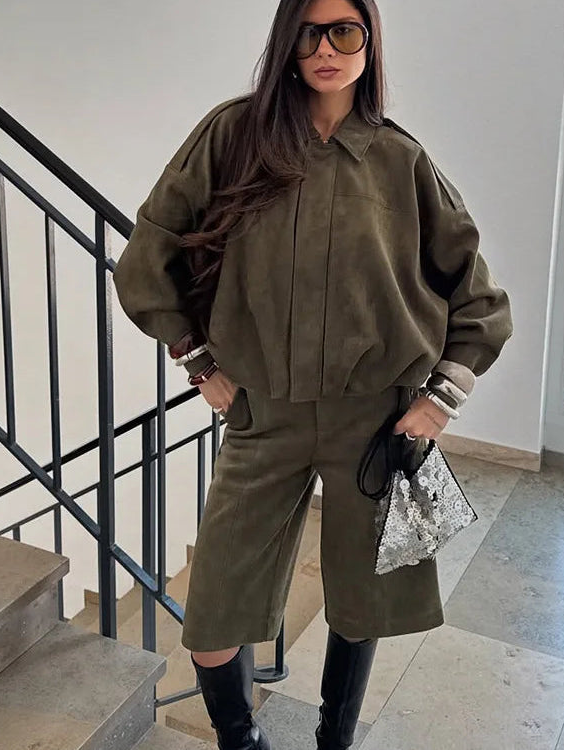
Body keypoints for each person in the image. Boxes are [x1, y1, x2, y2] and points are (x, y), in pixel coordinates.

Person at [113, 0, 513, 747]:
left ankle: (335, 739)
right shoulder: (234, 135)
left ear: (369, 42)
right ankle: (241, 740)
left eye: (344, 31)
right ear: (287, 43)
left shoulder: (400, 160)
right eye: (309, 33)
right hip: (264, 415)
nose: (326, 48)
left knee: (362, 604)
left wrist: (438, 402)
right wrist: (199, 361)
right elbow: (149, 254)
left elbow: (480, 299)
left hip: (375, 423)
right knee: (215, 613)